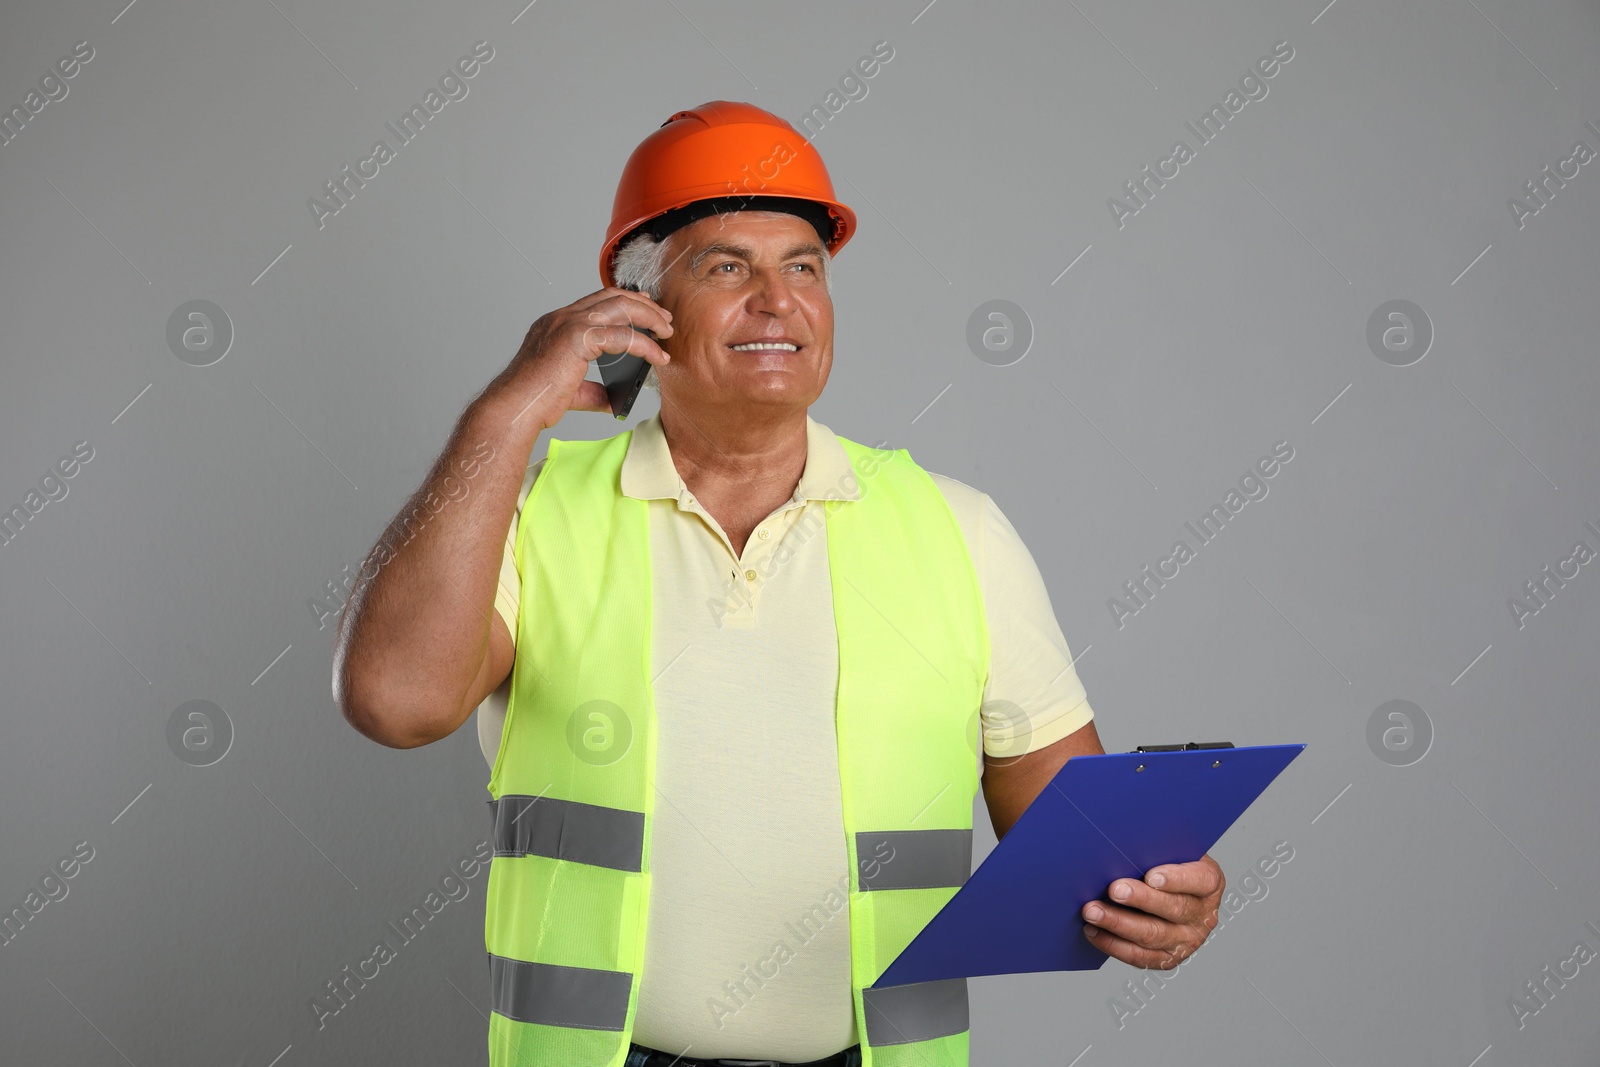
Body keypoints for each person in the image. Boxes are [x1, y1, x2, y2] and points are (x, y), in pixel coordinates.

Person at [333, 100, 1224, 1067]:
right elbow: (396, 702)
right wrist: (504, 416)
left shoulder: (957, 528)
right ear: (639, 313)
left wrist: (1159, 897)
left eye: (804, 265)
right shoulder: (531, 511)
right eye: (728, 267)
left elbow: (1076, 844)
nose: (778, 299)